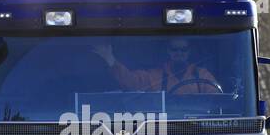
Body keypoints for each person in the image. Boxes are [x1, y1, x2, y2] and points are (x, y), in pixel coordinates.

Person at [93, 38, 221, 93]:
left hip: (195, 127)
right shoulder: (155, 76)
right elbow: (130, 80)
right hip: (164, 127)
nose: (179, 53)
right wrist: (110, 58)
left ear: (189, 52)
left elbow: (215, 100)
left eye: (183, 49)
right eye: (174, 49)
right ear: (168, 51)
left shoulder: (202, 75)